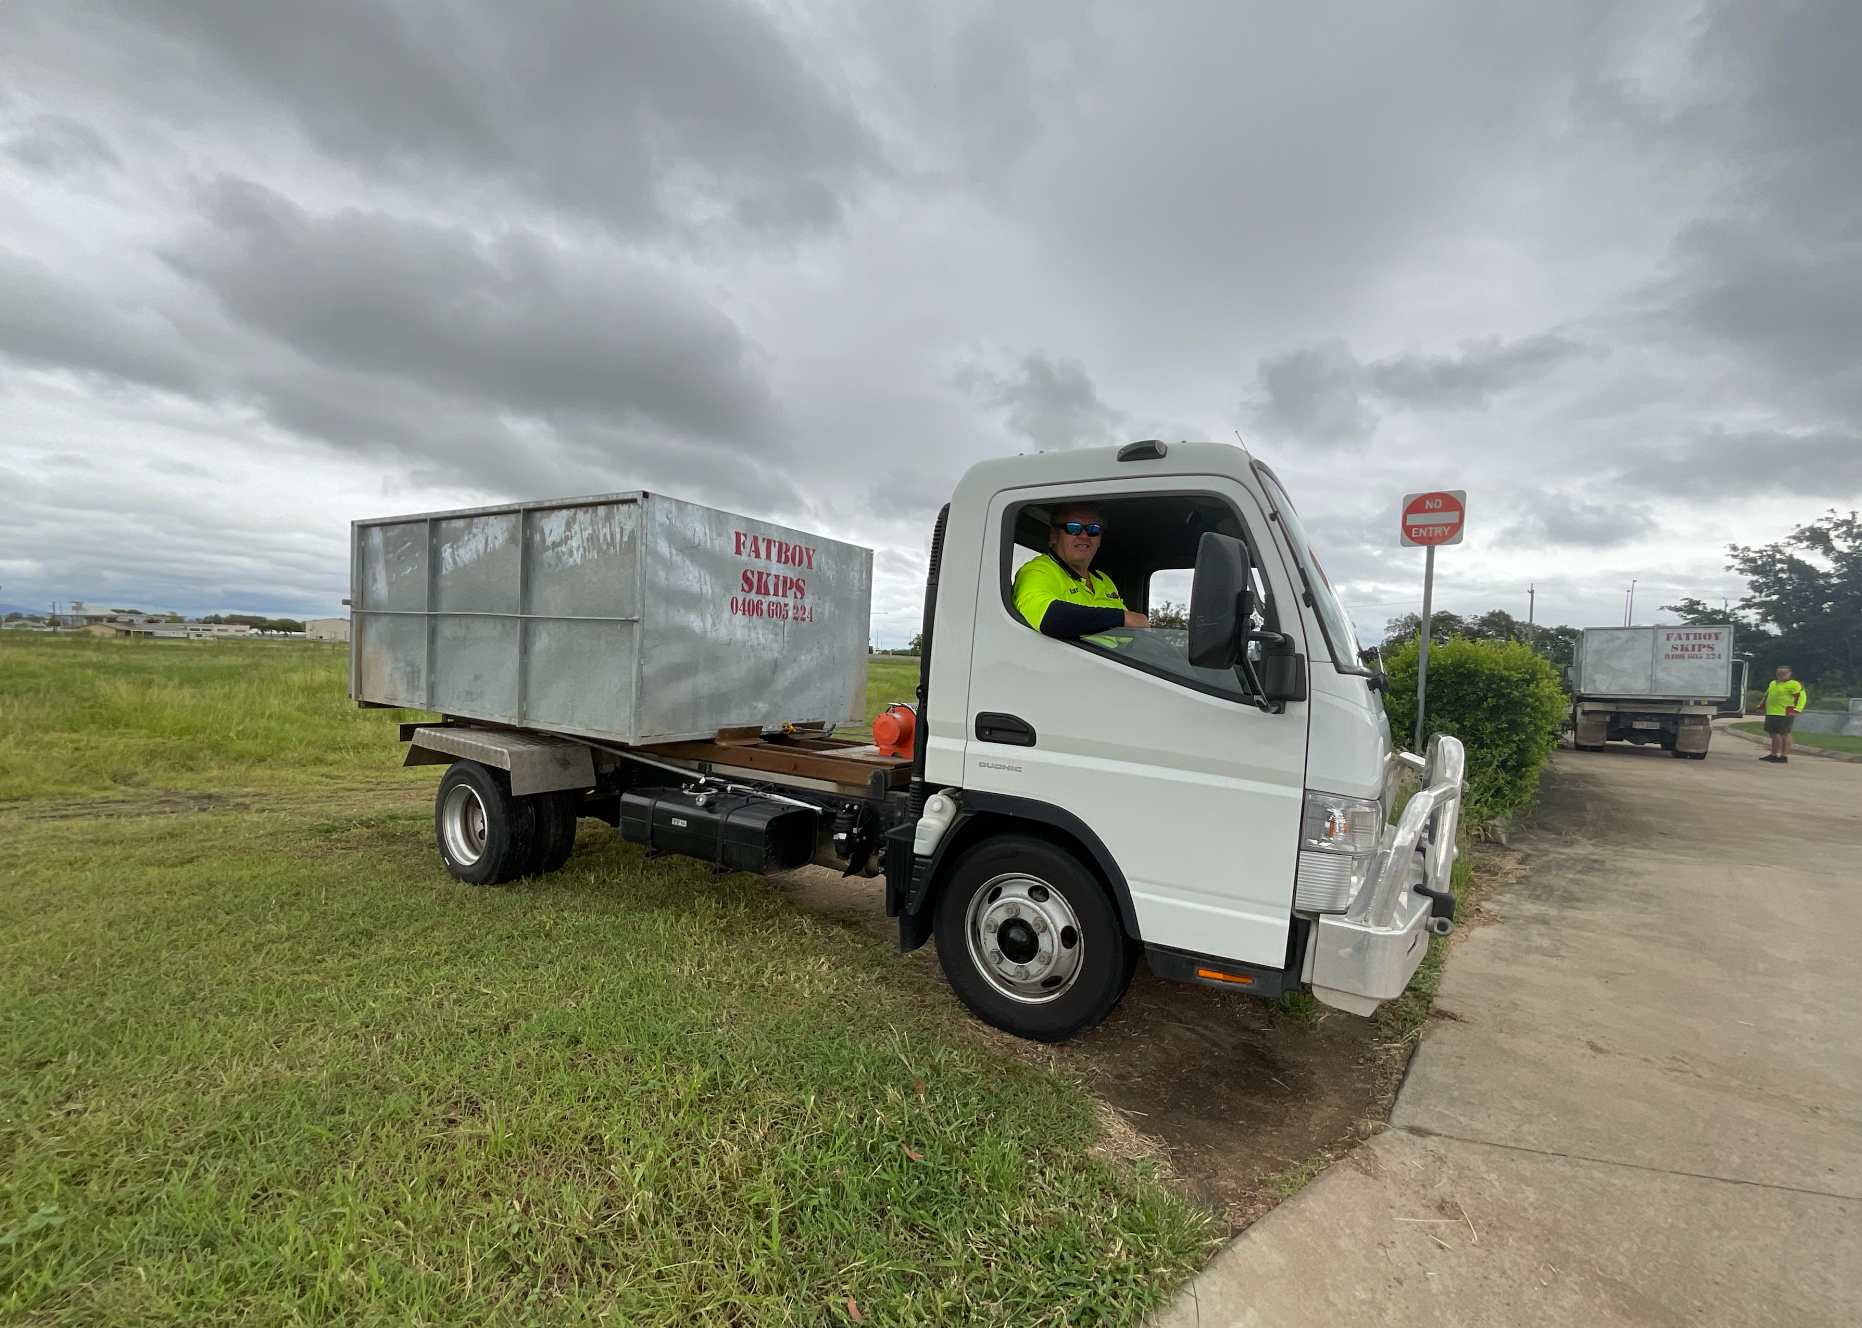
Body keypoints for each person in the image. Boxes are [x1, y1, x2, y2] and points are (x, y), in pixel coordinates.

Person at [1012, 504, 1150, 638]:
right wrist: (1122, 617)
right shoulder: (1038, 571)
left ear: (1100, 539)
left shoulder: (1103, 580)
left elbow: (1127, 634)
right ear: (1054, 535)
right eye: (1073, 528)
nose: (1084, 536)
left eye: (1093, 529)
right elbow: (1050, 618)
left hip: (1114, 659)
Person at [1761, 664, 1806, 763]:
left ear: (1789, 674)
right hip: (1772, 712)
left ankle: (1784, 756)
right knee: (1773, 734)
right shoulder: (1773, 683)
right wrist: (1761, 706)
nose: (1780, 675)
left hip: (1785, 713)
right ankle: (1773, 754)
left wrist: (1796, 710)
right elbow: (1767, 695)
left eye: (1783, 673)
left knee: (1784, 734)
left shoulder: (1794, 684)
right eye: (1778, 673)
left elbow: (1802, 698)